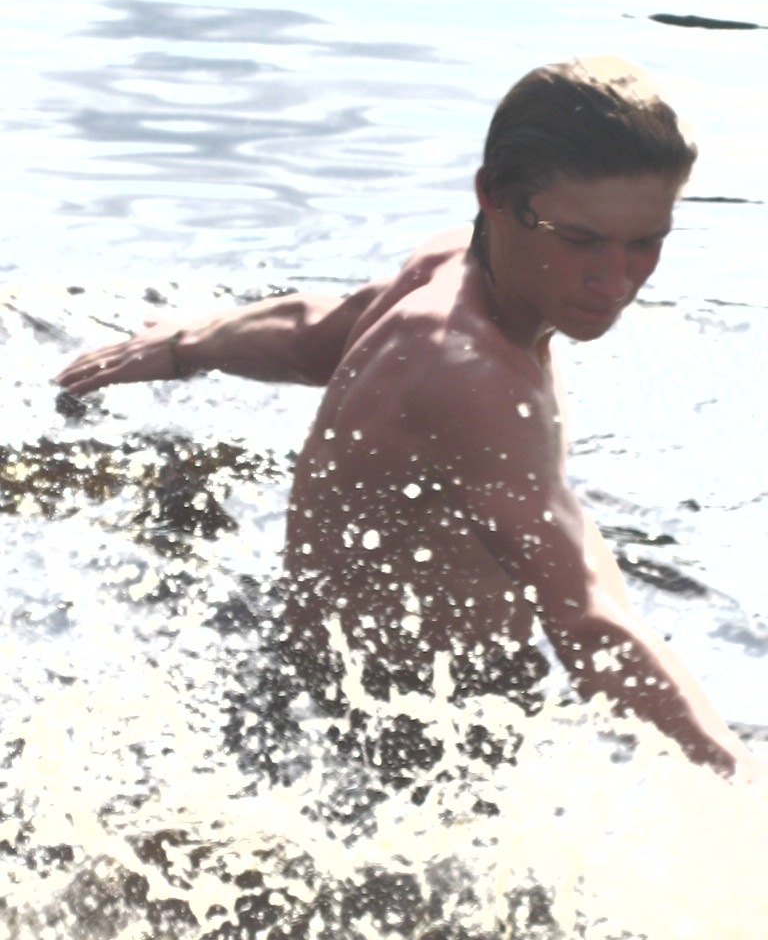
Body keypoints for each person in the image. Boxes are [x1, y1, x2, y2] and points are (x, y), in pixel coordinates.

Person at [56, 56, 764, 780]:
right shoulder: (471, 374)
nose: (616, 281)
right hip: (397, 742)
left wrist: (189, 343)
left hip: (319, 685)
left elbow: (316, 333)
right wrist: (741, 784)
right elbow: (587, 623)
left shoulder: (451, 261)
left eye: (645, 242)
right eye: (580, 240)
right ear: (494, 195)